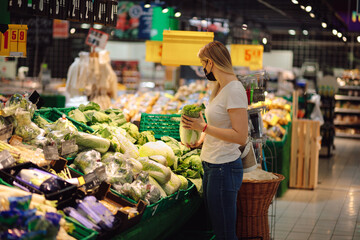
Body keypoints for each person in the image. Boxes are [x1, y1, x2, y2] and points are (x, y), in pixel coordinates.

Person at [181, 41, 248, 240]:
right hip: (212, 164)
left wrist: (203, 128)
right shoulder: (218, 86)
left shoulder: (234, 90)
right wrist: (200, 138)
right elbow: (217, 124)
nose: (202, 68)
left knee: (225, 233)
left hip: (224, 167)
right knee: (219, 229)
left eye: (203, 63)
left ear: (211, 62)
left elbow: (240, 136)